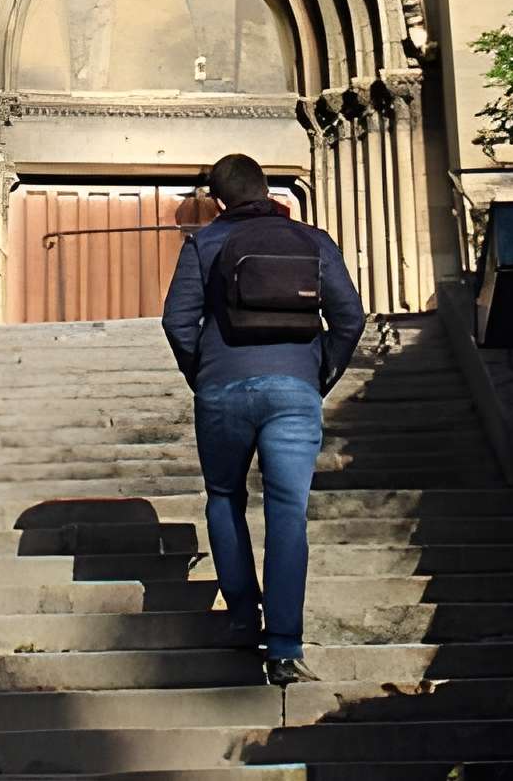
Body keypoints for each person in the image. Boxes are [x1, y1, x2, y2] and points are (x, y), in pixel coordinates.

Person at [160, 153, 366, 684]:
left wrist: (203, 372)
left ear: (218, 198)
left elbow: (177, 319)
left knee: (225, 497)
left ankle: (241, 619)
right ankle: (283, 648)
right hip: (296, 388)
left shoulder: (203, 243)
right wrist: (320, 373)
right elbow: (350, 316)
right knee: (287, 513)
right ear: (268, 188)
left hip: (222, 388)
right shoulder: (313, 240)